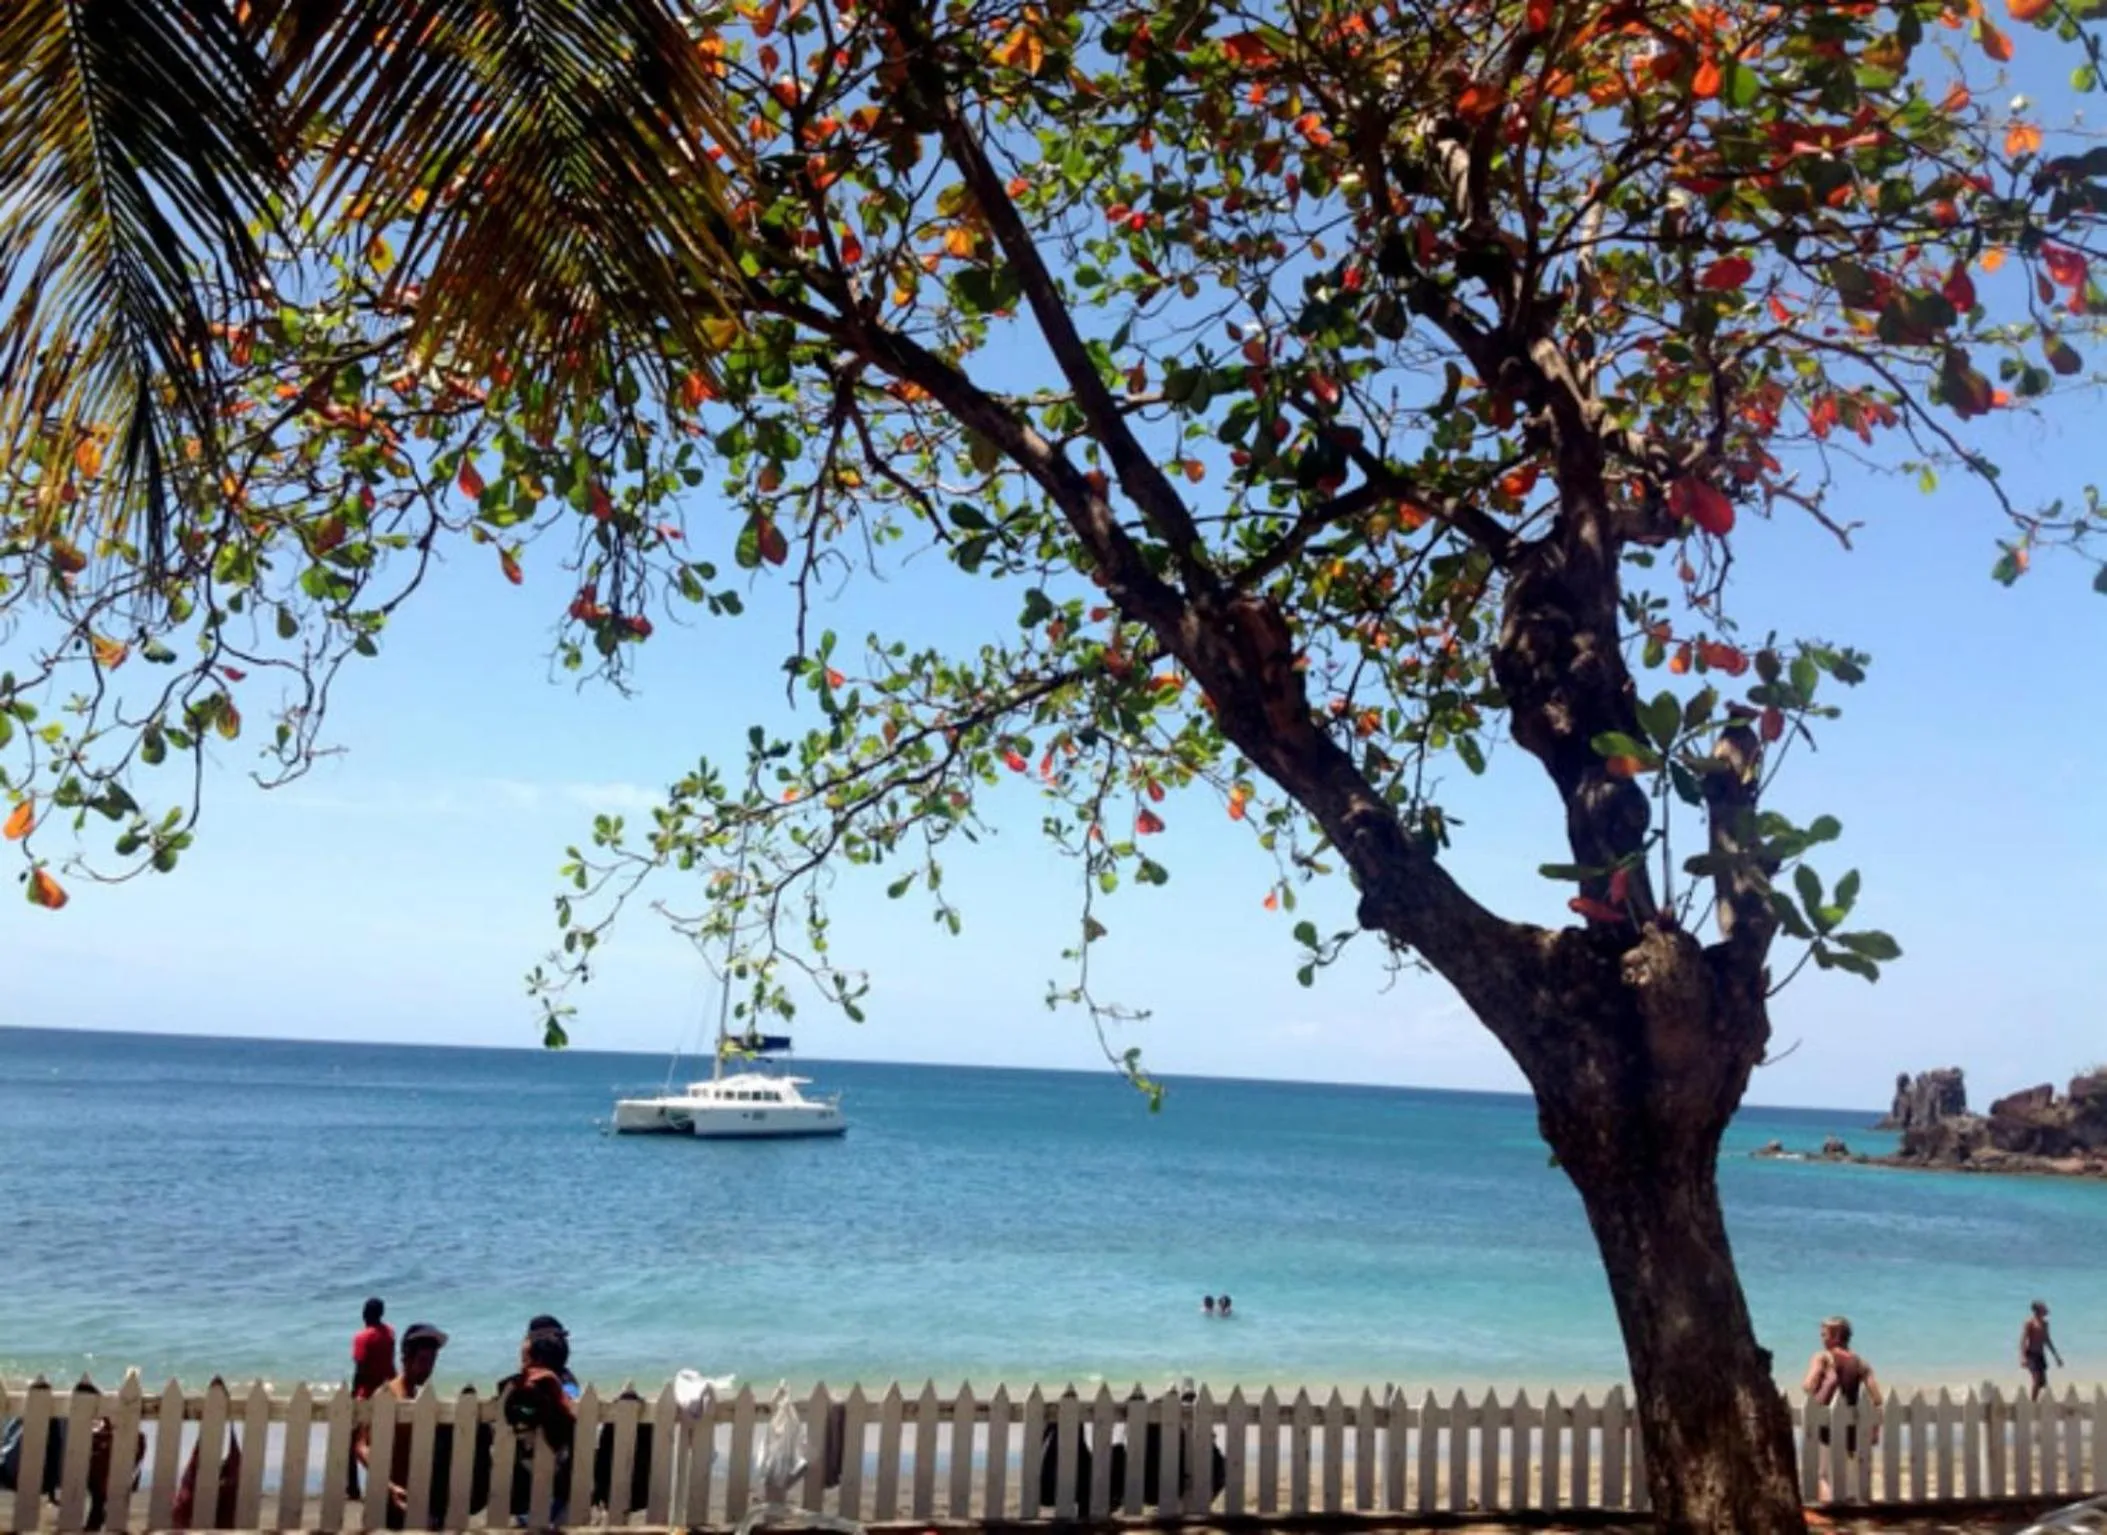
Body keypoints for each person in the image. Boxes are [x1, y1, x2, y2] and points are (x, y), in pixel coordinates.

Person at [357, 1323, 448, 1528]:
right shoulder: (387, 1395)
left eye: (433, 1361)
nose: (429, 1368)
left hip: (412, 1500)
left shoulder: (418, 1399)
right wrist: (389, 1486)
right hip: (385, 1500)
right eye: (423, 1361)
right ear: (406, 1358)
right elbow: (362, 1447)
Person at [500, 1327, 578, 1525]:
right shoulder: (519, 1388)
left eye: (525, 1359)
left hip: (558, 1490)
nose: (522, 1366)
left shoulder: (562, 1388)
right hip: (528, 1490)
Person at [1802, 1315, 1882, 1499]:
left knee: (1822, 1476)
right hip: (1853, 1428)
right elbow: (1877, 1399)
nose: (1822, 1339)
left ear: (1836, 1336)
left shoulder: (1822, 1357)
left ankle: (1831, 1513)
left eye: (1824, 1335)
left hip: (1826, 1426)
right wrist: (1875, 1428)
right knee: (1850, 1476)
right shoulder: (1861, 1363)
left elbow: (1808, 1386)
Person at [353, 1298, 397, 1399]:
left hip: (368, 1392)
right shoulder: (390, 1332)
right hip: (390, 1386)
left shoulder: (362, 1337)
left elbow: (360, 1370)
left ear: (364, 1313)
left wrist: (354, 1392)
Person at [2022, 1299, 2065, 1400]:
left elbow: (2047, 1340)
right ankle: (2032, 1404)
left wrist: (2056, 1356)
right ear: (2038, 1309)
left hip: (2040, 1355)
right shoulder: (2030, 1323)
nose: (2045, 1309)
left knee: (2042, 1383)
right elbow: (2023, 1340)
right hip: (2031, 1354)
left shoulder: (2045, 1324)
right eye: (2043, 1307)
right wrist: (2023, 1357)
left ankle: (2037, 1402)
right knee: (2036, 1380)